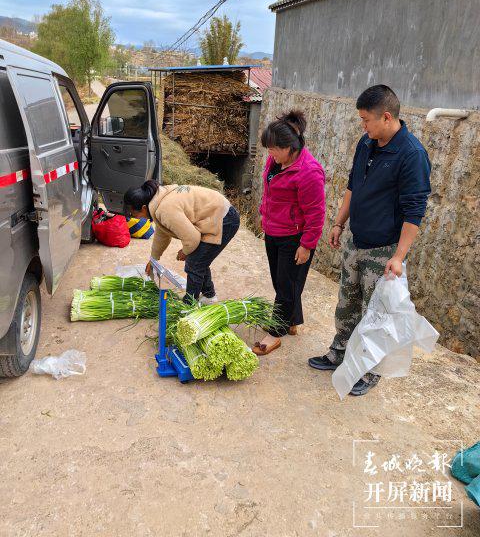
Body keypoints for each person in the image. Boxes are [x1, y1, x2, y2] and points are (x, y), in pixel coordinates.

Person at [309, 85, 431, 396]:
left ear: (386, 117)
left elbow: (414, 210)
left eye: (366, 120)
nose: (363, 126)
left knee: (376, 313)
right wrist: (339, 222)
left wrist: (399, 256)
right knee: (347, 302)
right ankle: (340, 352)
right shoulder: (367, 142)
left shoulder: (412, 155)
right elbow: (353, 185)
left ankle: (369, 368)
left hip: (384, 249)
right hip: (356, 240)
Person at [254, 110, 326, 356]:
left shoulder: (309, 172)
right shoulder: (275, 162)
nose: (269, 153)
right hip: (274, 230)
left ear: (290, 147)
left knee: (286, 284)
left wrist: (306, 245)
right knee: (280, 280)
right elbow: (270, 192)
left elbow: (316, 213)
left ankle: (276, 332)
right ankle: (291, 320)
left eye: (273, 148)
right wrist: (264, 214)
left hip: (294, 237)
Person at [124, 180, 240, 304]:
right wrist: (153, 259)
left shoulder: (165, 209)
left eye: (134, 214)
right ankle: (209, 297)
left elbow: (192, 239)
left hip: (223, 218)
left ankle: (189, 304)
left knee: (194, 263)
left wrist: (184, 251)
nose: (136, 218)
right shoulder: (158, 202)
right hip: (215, 214)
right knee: (199, 259)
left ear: (143, 208)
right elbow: (162, 233)